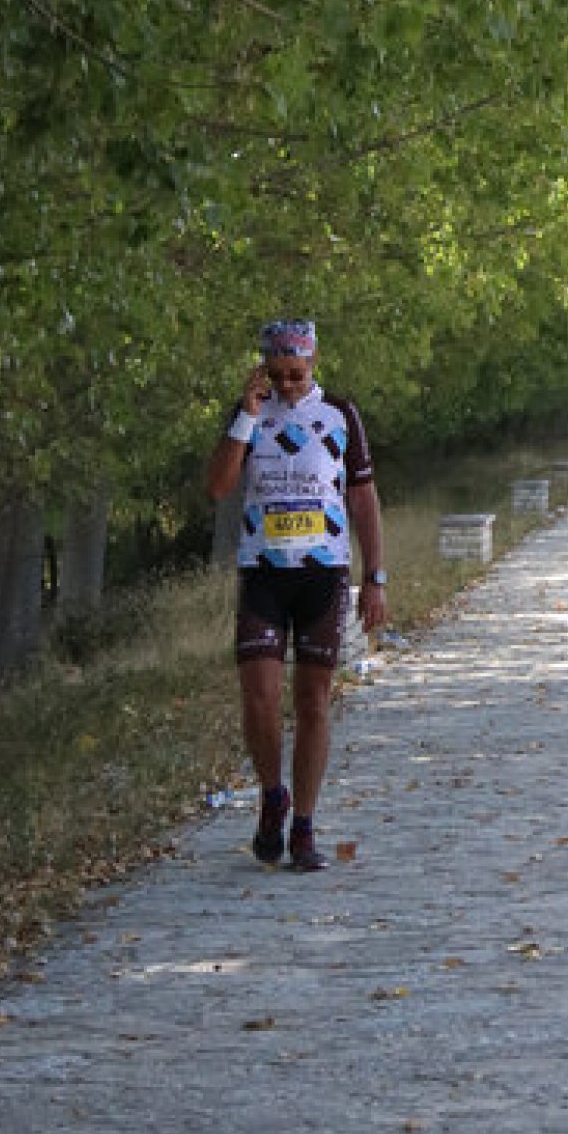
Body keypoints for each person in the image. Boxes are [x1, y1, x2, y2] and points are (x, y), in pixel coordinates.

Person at [205, 319, 388, 870]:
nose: (286, 384)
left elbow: (363, 498)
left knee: (313, 701)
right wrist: (246, 416)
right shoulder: (250, 413)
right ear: (263, 367)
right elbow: (218, 487)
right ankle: (272, 795)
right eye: (277, 374)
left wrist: (375, 577)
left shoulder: (340, 413)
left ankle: (304, 826)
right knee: (259, 695)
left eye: (296, 374)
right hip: (263, 572)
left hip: (322, 574)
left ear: (312, 364)